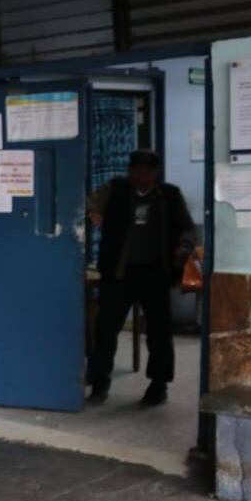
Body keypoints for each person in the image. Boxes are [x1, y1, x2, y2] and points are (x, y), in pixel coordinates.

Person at [87, 150, 195, 407]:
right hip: (118, 274)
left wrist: (184, 247)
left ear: (156, 173)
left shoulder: (169, 195)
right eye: (136, 172)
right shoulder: (116, 189)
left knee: (159, 334)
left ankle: (158, 386)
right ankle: (99, 384)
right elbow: (89, 204)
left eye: (146, 172)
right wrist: (94, 212)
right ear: (130, 171)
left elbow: (187, 228)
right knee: (105, 331)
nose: (141, 177)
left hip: (155, 274)